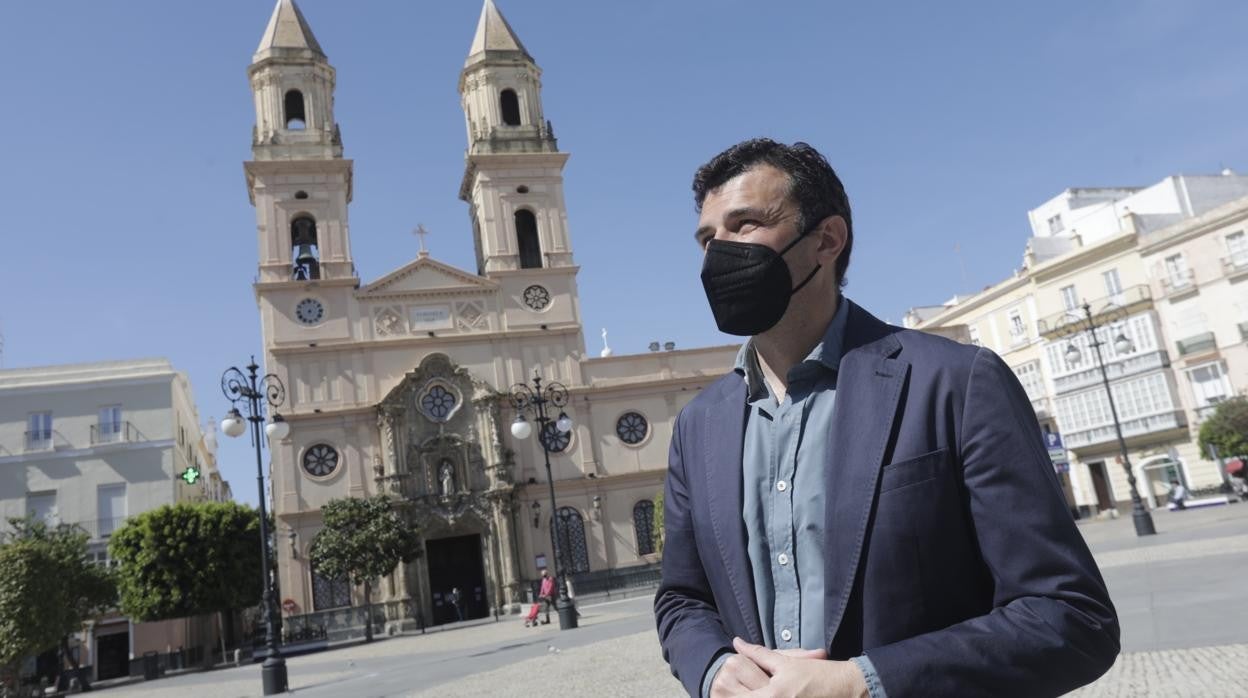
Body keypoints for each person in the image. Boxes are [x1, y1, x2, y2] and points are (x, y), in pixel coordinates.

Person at [654, 139, 1120, 698]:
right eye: (708, 238)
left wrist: (863, 682)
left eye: (745, 224)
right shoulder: (699, 426)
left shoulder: (956, 382)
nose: (718, 254)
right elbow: (682, 599)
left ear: (826, 240)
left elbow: (1070, 615)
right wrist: (712, 668)